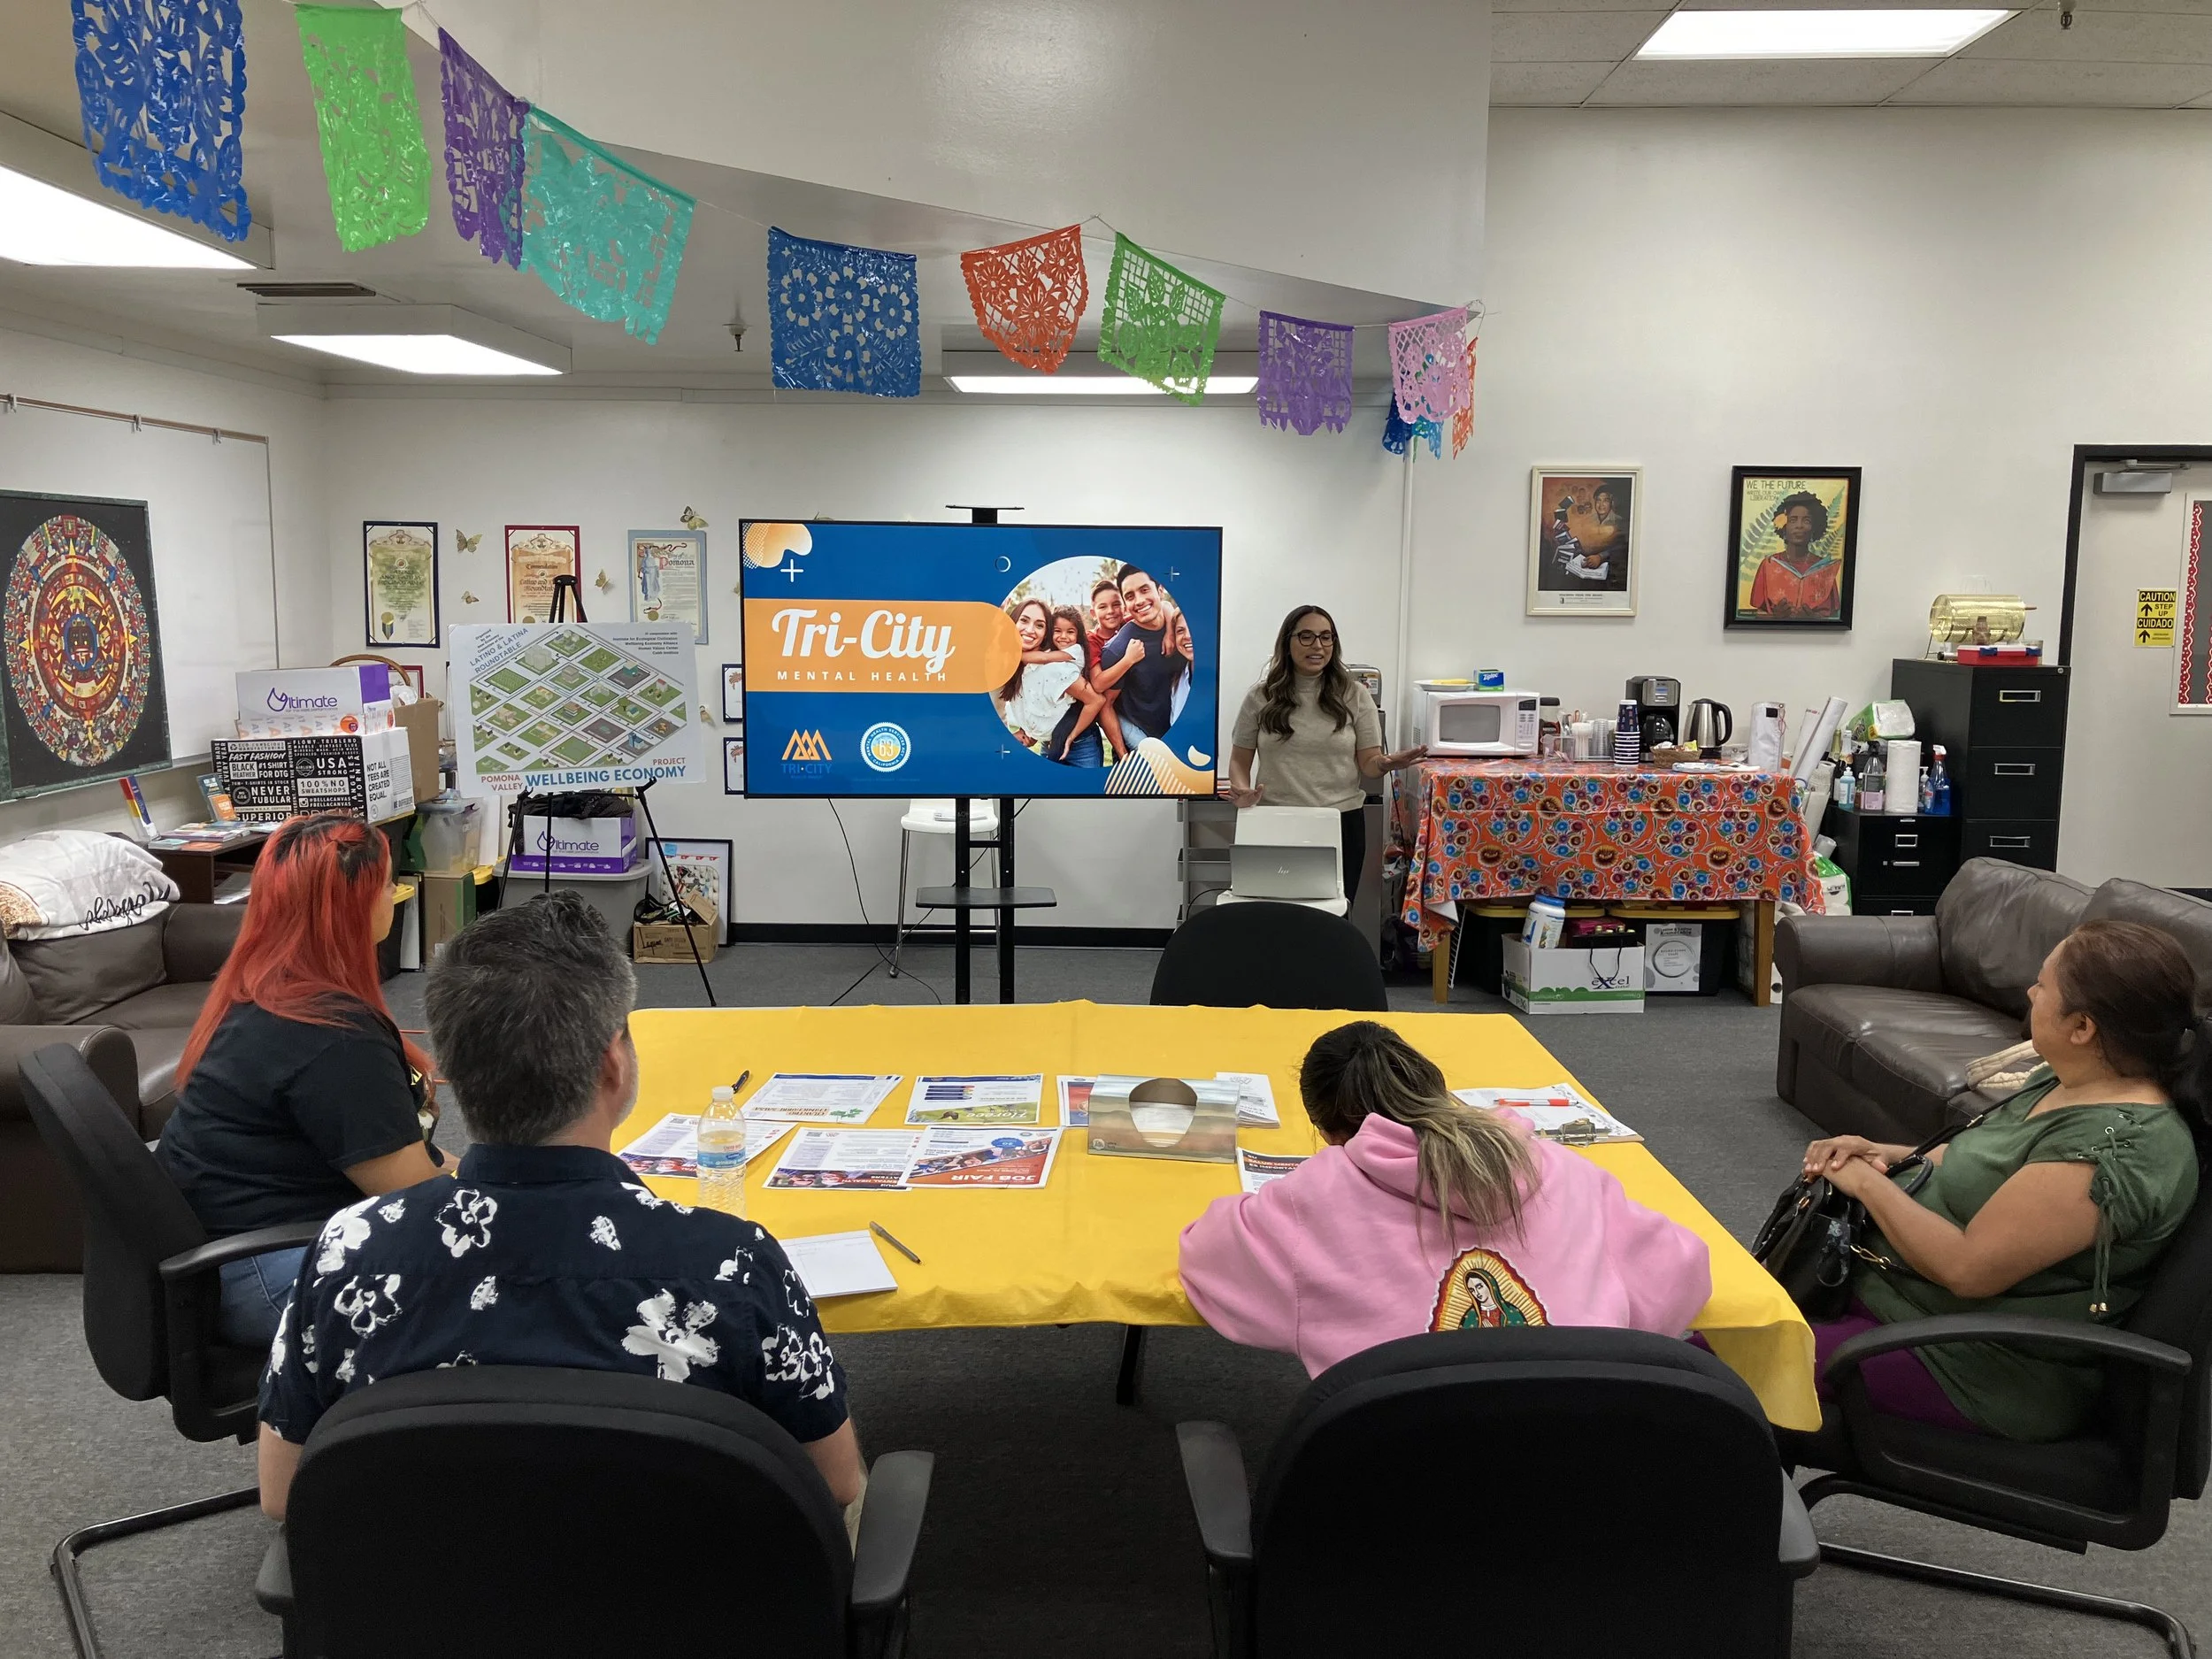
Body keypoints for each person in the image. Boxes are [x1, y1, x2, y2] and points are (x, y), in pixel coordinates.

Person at [256, 893, 864, 1524]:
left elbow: (283, 1494)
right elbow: (837, 1480)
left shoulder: (347, 1251)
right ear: (613, 1064)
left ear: (455, 1073)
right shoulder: (731, 1264)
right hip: (680, 1611)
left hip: (429, 1611)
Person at [1800, 919, 2208, 1441]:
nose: (2030, 993)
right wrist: (1885, 1155)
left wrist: (1866, 1183)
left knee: (1712, 1368)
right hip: (1903, 1300)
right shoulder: (2064, 1080)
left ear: (2082, 1027)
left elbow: (1968, 1269)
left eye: (2043, 986)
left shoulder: (2117, 1151)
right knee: (1724, 1325)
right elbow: (1983, 1160)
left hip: (1976, 1363)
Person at [1179, 1021, 1711, 1377]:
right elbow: (1682, 1270)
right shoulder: (1556, 1167)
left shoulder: (1312, 1197)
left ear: (1326, 1127)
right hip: (1575, 1461)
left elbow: (1206, 1257)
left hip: (1407, 1482)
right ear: (1437, 1090)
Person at [156, 813, 451, 1348]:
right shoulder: (333, 1037)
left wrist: (501, 1170)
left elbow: (411, 1161)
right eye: (389, 884)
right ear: (358, 904)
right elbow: (417, 1197)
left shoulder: (267, 991)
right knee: (510, 1285)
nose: (395, 895)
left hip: (241, 1249)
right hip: (269, 1271)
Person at [1222, 605, 1425, 906]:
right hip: (1275, 820)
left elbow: (1369, 765)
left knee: (1332, 919)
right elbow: (1240, 760)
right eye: (1306, 636)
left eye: (1326, 637)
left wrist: (1386, 763)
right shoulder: (1260, 697)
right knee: (1275, 916)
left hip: (1340, 823)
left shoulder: (1355, 695)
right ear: (1287, 643)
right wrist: (1242, 791)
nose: (1317, 646)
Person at [1094, 565, 1187, 743]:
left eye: (1145, 590)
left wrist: (1170, 631)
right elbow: (1106, 705)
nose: (1139, 601)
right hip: (1144, 747)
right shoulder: (1118, 650)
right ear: (1126, 605)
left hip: (1181, 738)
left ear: (1160, 590)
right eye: (1130, 596)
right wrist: (1123, 754)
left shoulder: (1180, 630)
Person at [1040, 605, 1122, 766]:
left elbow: (1097, 700)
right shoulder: (1047, 658)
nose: (1064, 637)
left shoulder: (1078, 654)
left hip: (1083, 743)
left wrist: (1070, 737)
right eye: (1057, 631)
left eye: (1070, 631)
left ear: (1078, 634)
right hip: (1050, 742)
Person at [1747, 489, 1842, 619]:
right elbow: (1759, 615)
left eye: (1807, 521)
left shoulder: (1825, 569)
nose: (1799, 526)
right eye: (1793, 520)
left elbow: (1835, 618)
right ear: (1783, 527)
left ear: (1815, 528)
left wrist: (1813, 619)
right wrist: (1776, 616)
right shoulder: (1768, 565)